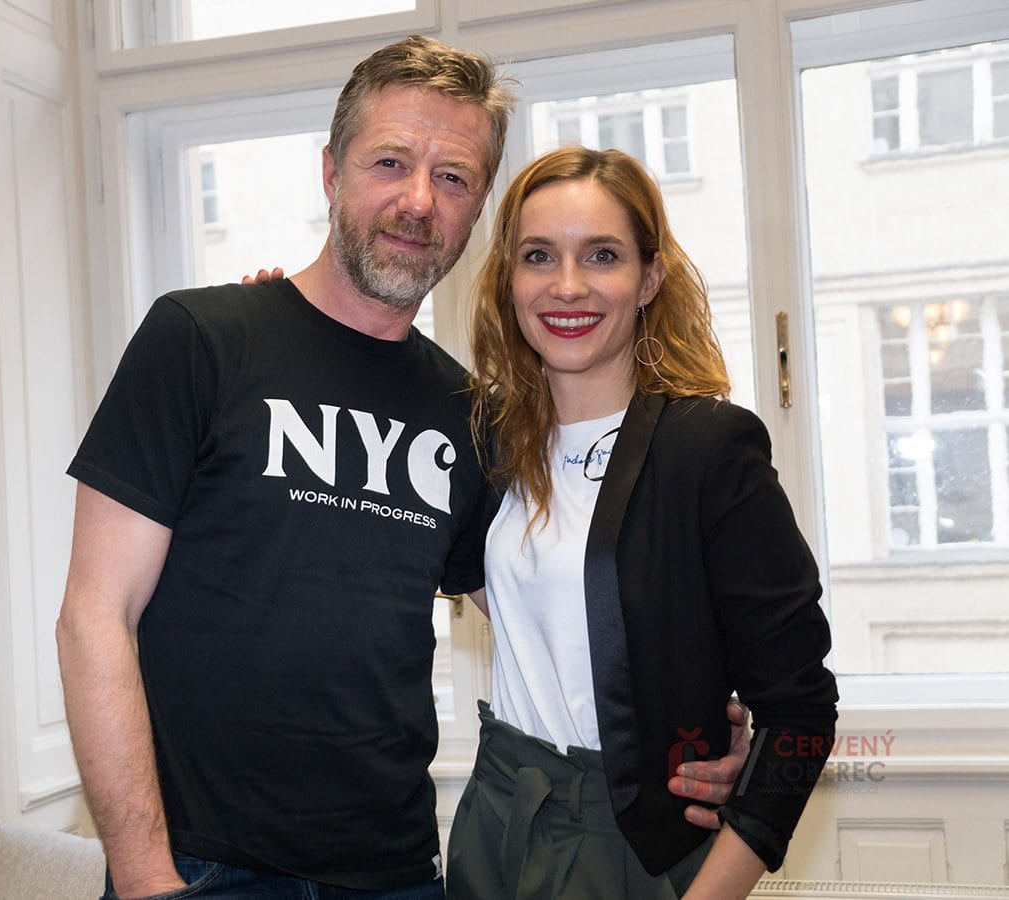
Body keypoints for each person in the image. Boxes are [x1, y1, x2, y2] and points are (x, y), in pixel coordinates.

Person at [58, 36, 746, 900]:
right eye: (390, 162)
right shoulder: (201, 341)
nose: (418, 201)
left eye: (452, 178)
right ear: (330, 171)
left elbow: (555, 610)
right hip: (203, 867)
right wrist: (147, 878)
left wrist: (695, 725)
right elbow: (94, 616)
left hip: (396, 872)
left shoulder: (467, 413)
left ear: (477, 209)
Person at [445, 146, 839, 899]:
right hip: (494, 820)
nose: (567, 285)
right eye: (537, 255)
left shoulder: (707, 449)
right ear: (506, 280)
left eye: (602, 255)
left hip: (628, 843)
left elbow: (800, 716)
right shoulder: (485, 441)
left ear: (649, 278)